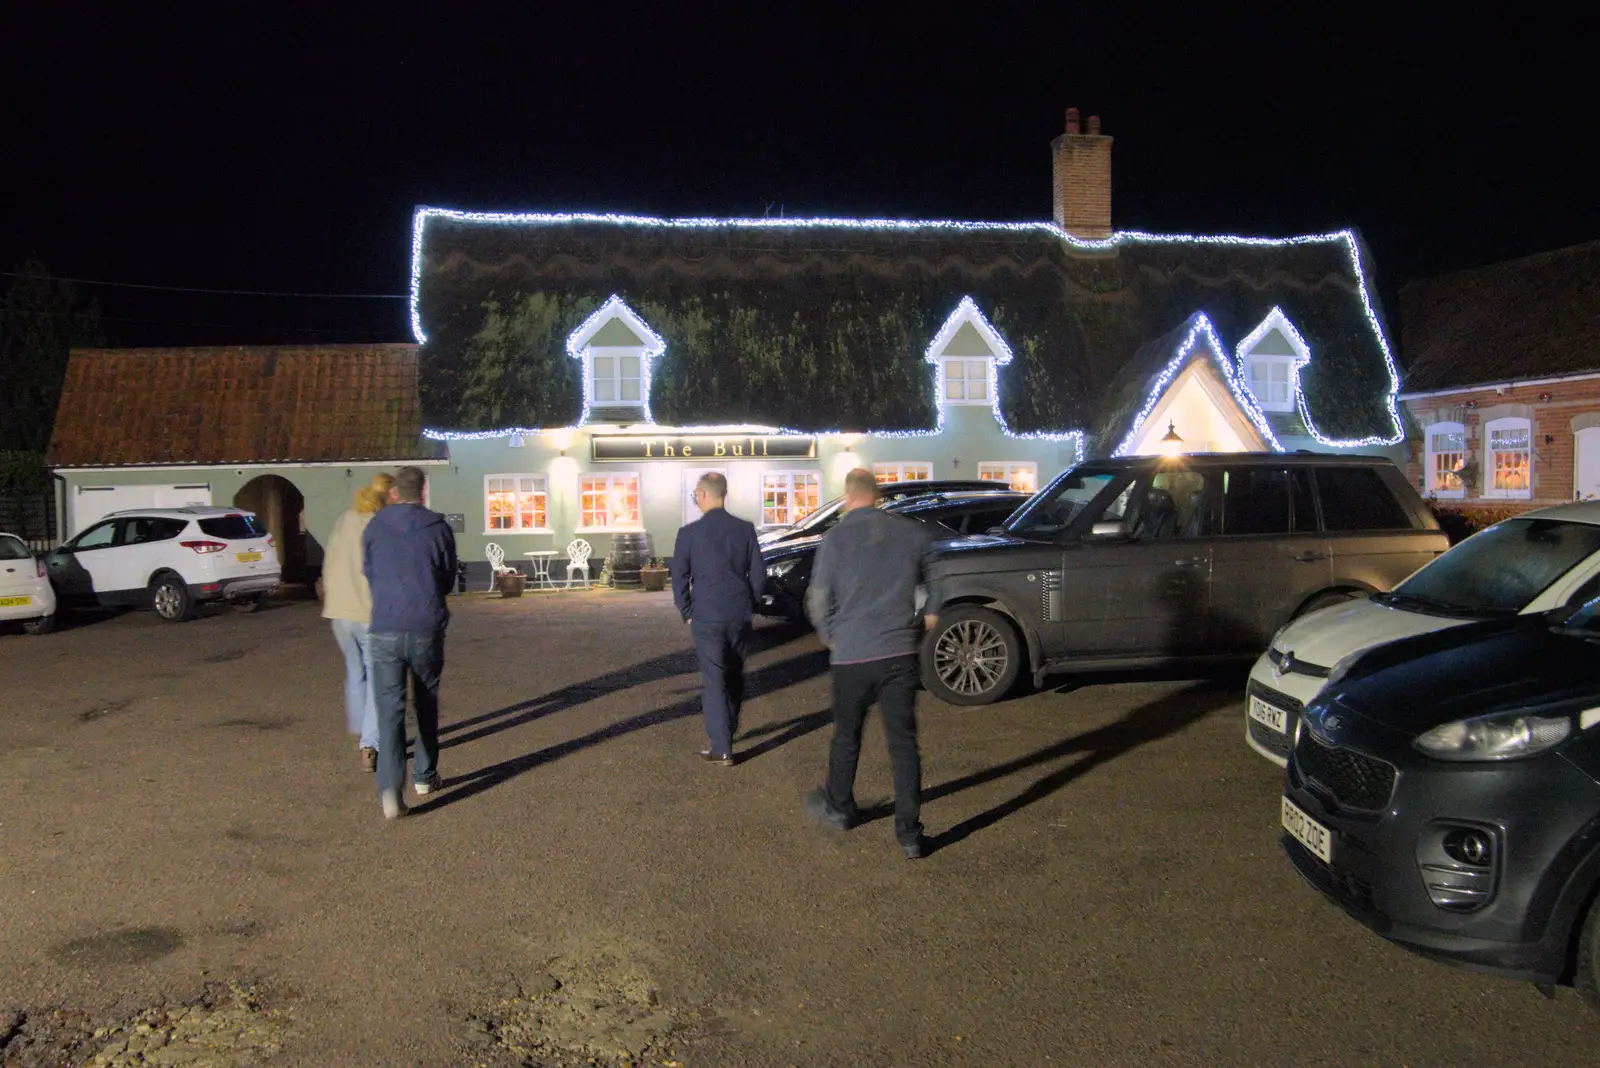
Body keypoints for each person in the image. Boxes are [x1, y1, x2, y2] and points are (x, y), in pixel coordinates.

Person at [803, 467, 939, 860]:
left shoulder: (835, 538)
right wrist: (929, 612)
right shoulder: (909, 532)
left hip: (852, 654)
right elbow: (935, 573)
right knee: (903, 743)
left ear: (849, 498)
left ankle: (841, 807)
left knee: (847, 735)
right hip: (898, 652)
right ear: (877, 496)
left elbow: (819, 596)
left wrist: (829, 633)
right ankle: (909, 833)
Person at [362, 466, 458, 819]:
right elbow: (448, 578)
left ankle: (390, 790)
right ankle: (424, 775)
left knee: (390, 710)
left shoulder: (375, 527)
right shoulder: (438, 528)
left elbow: (369, 571)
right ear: (422, 491)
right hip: (424, 624)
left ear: (393, 493)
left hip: (385, 625)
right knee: (426, 702)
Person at [669, 471, 764, 766]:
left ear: (704, 495)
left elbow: (678, 578)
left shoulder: (688, 534)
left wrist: (686, 610)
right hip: (738, 614)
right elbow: (759, 574)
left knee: (714, 679)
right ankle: (728, 729)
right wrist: (752, 603)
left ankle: (722, 746)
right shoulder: (745, 529)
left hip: (706, 616)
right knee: (735, 675)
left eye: (696, 494)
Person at [321, 473, 393, 771]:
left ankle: (360, 730)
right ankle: (370, 744)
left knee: (355, 673)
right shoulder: (378, 529)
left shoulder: (343, 522)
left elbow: (329, 564)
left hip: (338, 612)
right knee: (378, 678)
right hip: (368, 614)